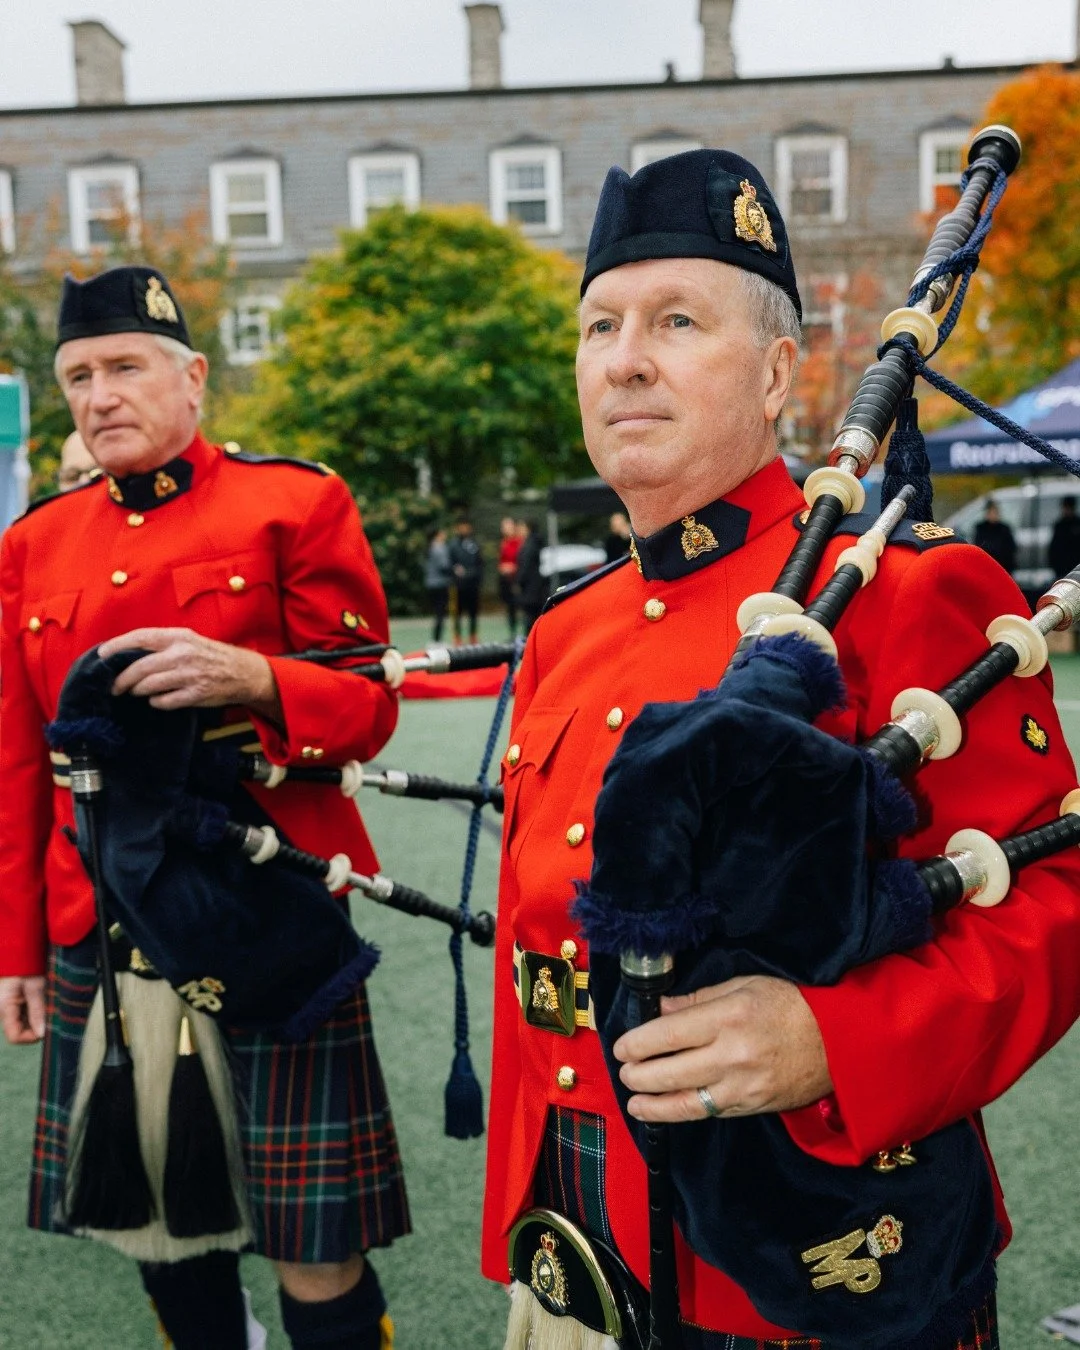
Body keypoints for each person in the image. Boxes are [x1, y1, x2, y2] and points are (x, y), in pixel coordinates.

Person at [482, 149, 1080, 1348]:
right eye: (600, 326)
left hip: (823, 1241)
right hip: (581, 1224)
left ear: (775, 376)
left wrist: (834, 1040)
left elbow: (1052, 894)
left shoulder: (907, 593)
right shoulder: (565, 630)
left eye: (676, 320)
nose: (624, 357)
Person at [0, 265, 409, 1350]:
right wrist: (19, 951)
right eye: (78, 376)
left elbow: (368, 705)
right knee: (158, 1229)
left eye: (125, 366)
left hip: (267, 909)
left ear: (192, 379)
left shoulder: (293, 502)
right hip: (107, 925)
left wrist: (256, 680)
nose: (99, 395)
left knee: (313, 1240)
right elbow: (14, 765)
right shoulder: (32, 545)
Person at [449, 515, 483, 643]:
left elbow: (480, 563)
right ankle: (457, 637)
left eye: (466, 526)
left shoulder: (474, 543)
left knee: (473, 612)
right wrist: (455, 571)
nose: (464, 529)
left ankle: (473, 635)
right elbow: (450, 563)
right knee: (457, 612)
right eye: (462, 526)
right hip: (459, 585)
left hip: (473, 584)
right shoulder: (453, 545)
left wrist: (473, 575)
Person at [513, 518, 546, 635]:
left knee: (530, 618)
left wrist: (518, 582)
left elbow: (525, 567)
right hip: (536, 587)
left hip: (531, 589)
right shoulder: (535, 543)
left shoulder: (529, 546)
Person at [973, 498, 1017, 574]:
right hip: (986, 566)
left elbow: (1011, 548)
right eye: (991, 512)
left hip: (1003, 567)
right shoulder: (981, 528)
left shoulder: (1004, 529)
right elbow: (979, 547)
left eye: (995, 512)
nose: (993, 515)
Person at [424, 524, 453, 642]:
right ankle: (437, 639)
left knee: (438, 612)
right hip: (440, 584)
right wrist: (455, 571)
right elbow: (444, 566)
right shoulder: (439, 548)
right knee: (441, 612)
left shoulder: (431, 547)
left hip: (431, 583)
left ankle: (436, 638)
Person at [497, 515, 523, 636]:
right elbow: (501, 560)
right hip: (506, 580)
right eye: (503, 526)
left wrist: (512, 567)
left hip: (517, 579)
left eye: (507, 525)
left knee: (521, 606)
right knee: (510, 607)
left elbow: (521, 560)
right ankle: (512, 632)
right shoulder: (503, 542)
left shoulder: (519, 541)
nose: (505, 528)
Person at [1049, 495, 1080, 580]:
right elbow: (1054, 547)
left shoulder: (1077, 524)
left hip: (1076, 567)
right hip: (1061, 569)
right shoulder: (1059, 525)